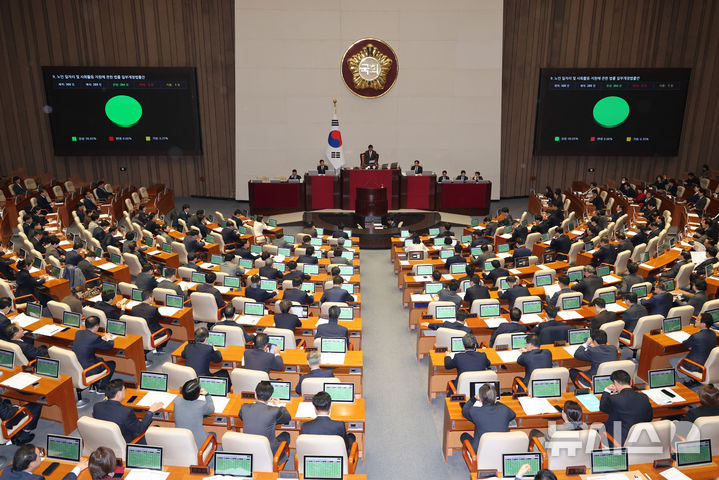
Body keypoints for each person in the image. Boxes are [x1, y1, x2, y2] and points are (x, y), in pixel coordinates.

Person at [93, 379, 163, 443]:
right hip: (127, 442)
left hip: (106, 440)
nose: (125, 391)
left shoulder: (97, 406)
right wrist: (151, 411)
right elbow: (140, 429)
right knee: (156, 429)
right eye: (124, 389)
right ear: (119, 393)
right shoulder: (126, 412)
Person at [599, 370, 653, 444]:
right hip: (641, 438)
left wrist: (607, 391)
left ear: (615, 383)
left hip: (620, 441)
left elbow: (602, 408)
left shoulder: (614, 399)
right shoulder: (643, 397)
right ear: (630, 382)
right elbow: (649, 418)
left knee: (597, 432)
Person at [460, 384, 516, 453]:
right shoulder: (504, 410)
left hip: (481, 451)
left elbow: (464, 410)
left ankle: (472, 456)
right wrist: (497, 403)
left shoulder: (475, 411)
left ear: (480, 398)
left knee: (464, 436)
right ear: (495, 398)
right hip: (502, 449)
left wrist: (473, 399)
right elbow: (513, 414)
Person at [240, 381, 291, 455]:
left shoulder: (244, 407)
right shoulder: (275, 410)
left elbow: (241, 416)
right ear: (270, 397)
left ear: (255, 394)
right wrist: (280, 405)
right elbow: (287, 418)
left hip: (248, 449)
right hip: (268, 452)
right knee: (286, 435)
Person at [670, 313, 717, 385]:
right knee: (684, 355)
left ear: (703, 324)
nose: (695, 320)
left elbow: (685, 344)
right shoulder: (713, 334)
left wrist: (692, 346)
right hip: (707, 362)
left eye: (698, 320)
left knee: (672, 360)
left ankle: (688, 381)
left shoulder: (696, 336)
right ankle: (693, 379)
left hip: (697, 366)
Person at [72, 316, 116, 392]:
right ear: (96, 327)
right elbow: (109, 346)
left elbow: (88, 341)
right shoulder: (95, 338)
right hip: (87, 369)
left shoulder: (78, 333)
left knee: (100, 359)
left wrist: (100, 339)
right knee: (111, 364)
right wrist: (109, 338)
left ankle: (95, 382)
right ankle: (101, 388)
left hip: (77, 365)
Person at [2, 444, 88, 480]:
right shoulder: (37, 479)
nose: (41, 456)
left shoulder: (6, 471)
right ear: (31, 463)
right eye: (40, 456)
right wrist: (77, 468)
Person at [174, 379, 215, 449]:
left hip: (180, 441)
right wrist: (207, 395)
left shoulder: (176, 401)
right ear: (197, 394)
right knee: (213, 434)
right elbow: (211, 409)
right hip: (199, 445)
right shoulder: (201, 405)